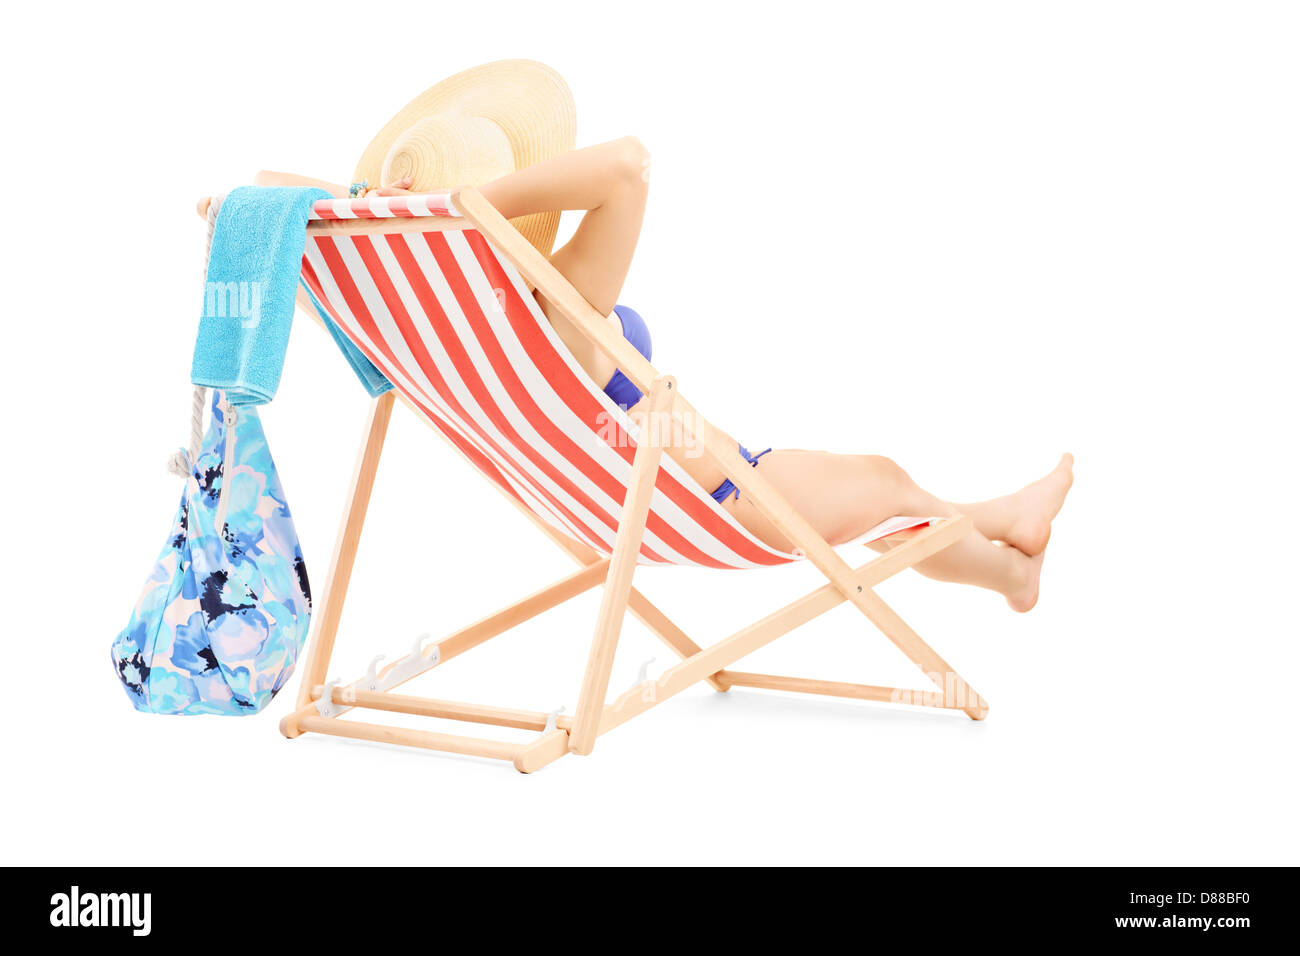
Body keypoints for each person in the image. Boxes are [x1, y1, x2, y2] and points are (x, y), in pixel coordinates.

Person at [260, 133, 1071, 614]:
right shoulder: (547, 314)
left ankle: (1008, 562)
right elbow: (626, 167)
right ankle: (1006, 539)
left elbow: (261, 195)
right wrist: (467, 208)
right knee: (889, 487)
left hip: (647, 506)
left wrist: (373, 207)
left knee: (888, 508)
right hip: (724, 497)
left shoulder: (422, 335)